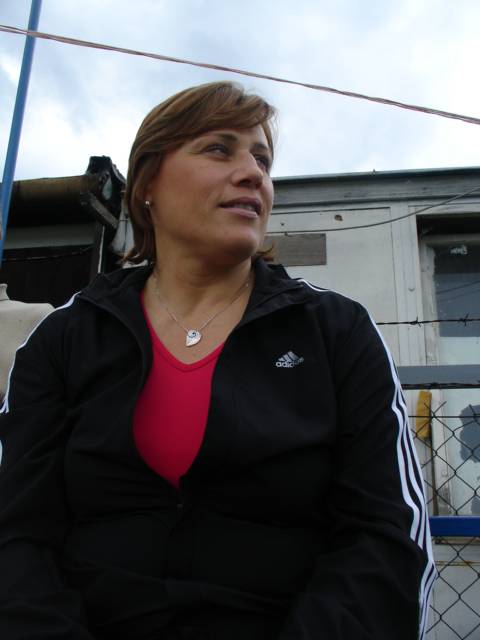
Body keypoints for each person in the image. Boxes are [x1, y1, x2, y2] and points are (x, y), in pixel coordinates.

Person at [0, 81, 436, 639]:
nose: (253, 174)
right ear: (149, 183)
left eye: (263, 160)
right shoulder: (67, 336)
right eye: (218, 149)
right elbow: (16, 534)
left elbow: (388, 537)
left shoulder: (335, 331)